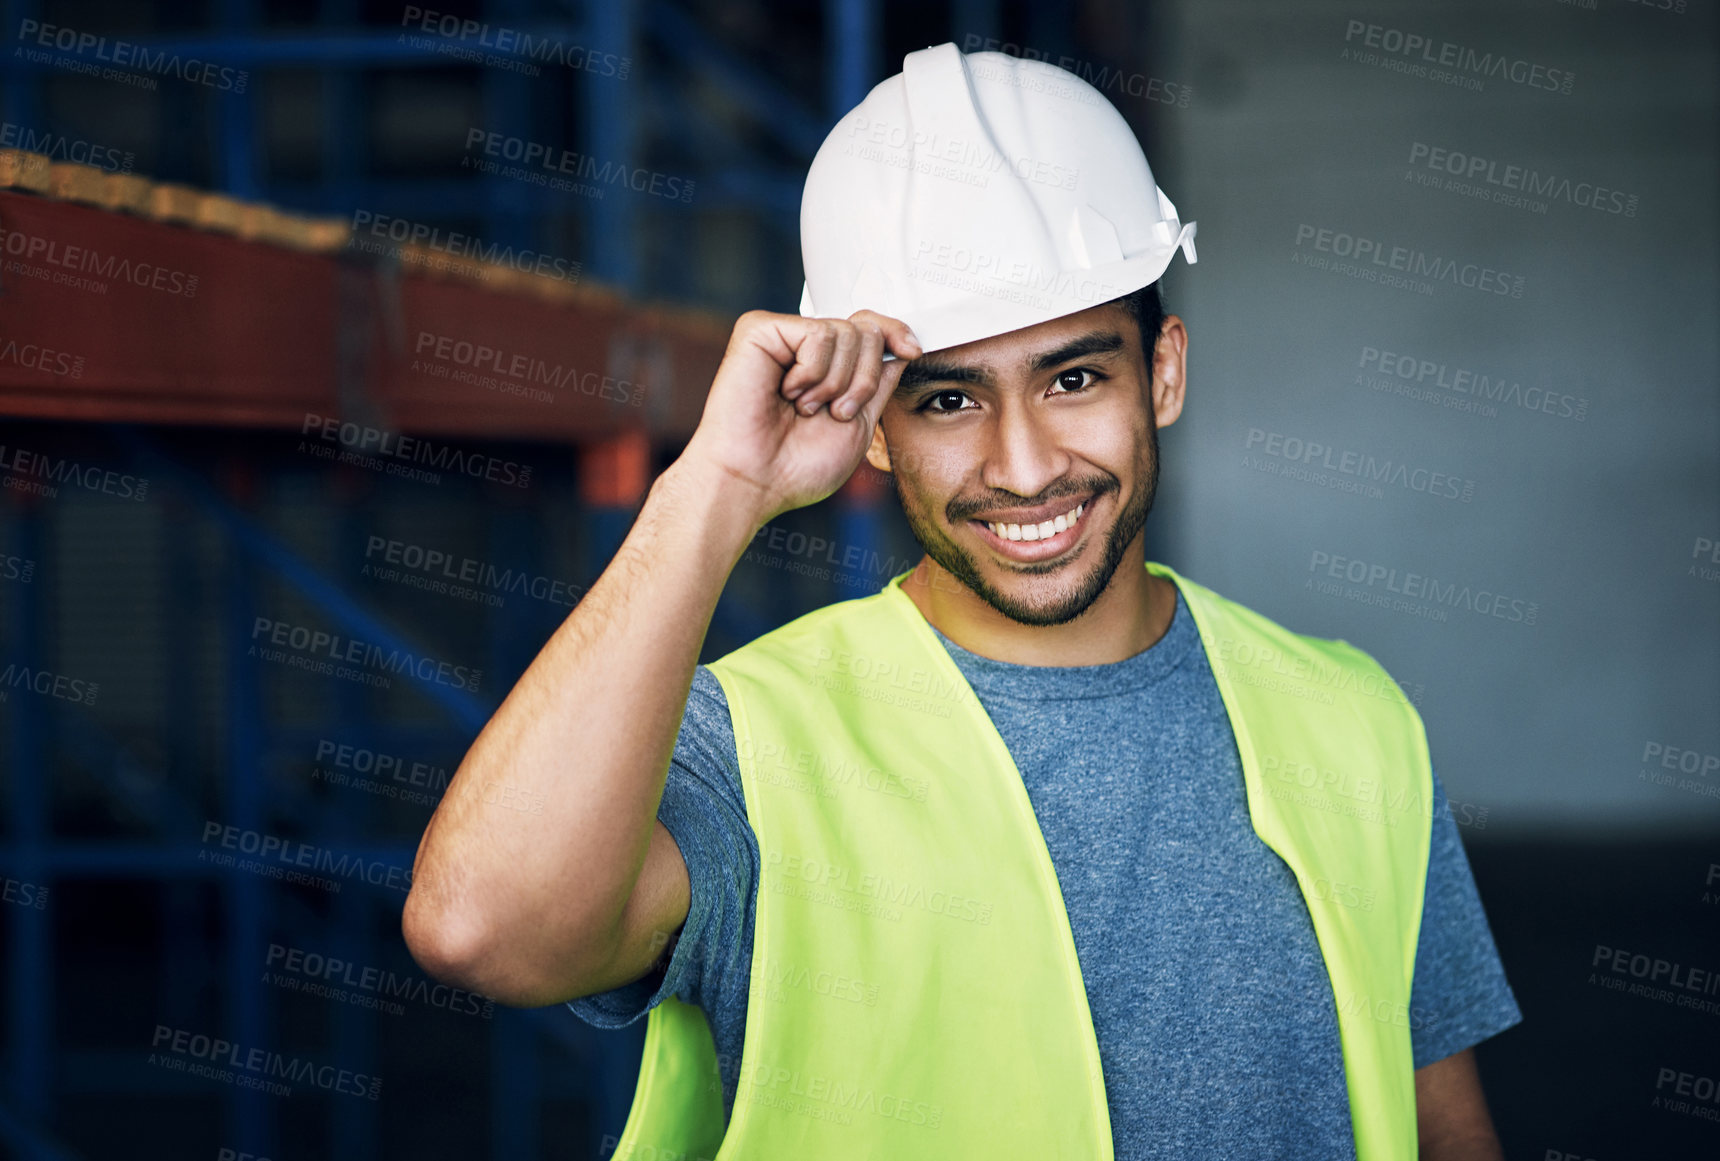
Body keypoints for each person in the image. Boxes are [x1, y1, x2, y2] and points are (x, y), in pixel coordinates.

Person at [403, 43, 1521, 1161]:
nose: (1025, 467)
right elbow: (485, 933)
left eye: (1074, 378)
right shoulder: (752, 746)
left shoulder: (1350, 719)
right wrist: (717, 489)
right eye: (948, 399)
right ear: (876, 429)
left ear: (1164, 372)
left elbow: (1440, 1124)